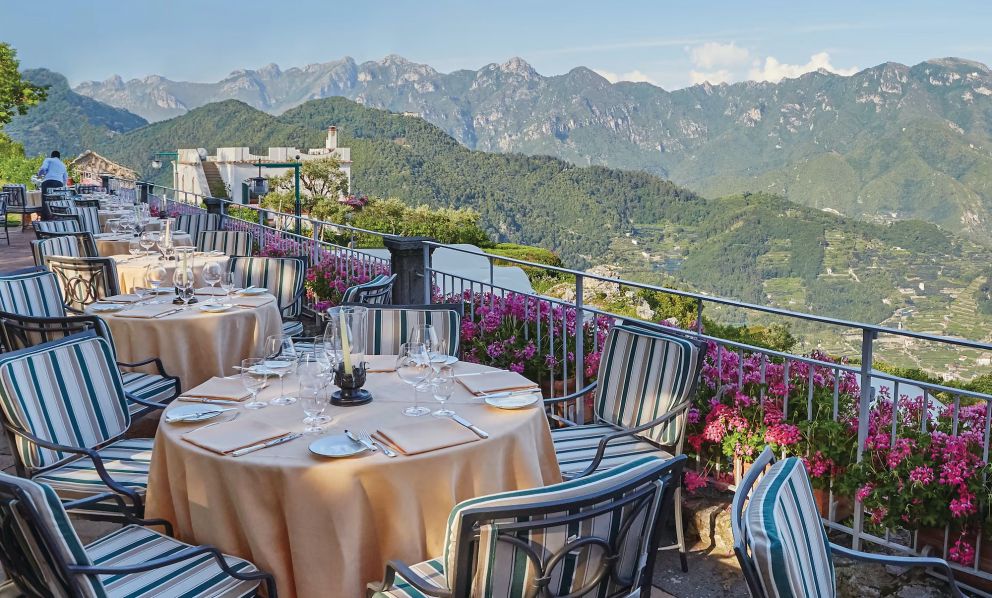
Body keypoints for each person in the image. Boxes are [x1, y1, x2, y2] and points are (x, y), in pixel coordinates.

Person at [36, 150, 68, 219]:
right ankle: (56, 218)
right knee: (57, 201)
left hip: (48, 182)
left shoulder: (48, 160)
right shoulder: (63, 165)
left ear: (52, 156)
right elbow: (65, 178)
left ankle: (45, 219)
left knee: (45, 200)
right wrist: (63, 186)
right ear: (59, 157)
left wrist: (39, 175)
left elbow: (43, 169)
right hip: (59, 183)